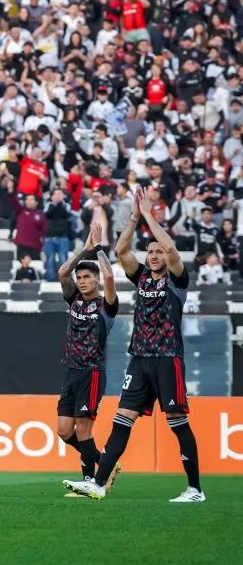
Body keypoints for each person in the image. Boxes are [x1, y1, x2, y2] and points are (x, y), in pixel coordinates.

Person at [65, 189, 204, 502]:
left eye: (158, 252)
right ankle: (98, 484)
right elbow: (121, 250)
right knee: (121, 420)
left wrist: (150, 217)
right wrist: (133, 219)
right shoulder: (141, 277)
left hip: (168, 359)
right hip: (139, 360)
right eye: (150, 252)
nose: (154, 255)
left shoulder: (178, 280)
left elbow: (170, 247)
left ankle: (195, 489)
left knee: (177, 423)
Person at [56, 222, 120, 496]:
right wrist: (84, 248)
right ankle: (105, 463)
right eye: (79, 277)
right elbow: (62, 272)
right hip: (72, 371)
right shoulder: (75, 301)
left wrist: (99, 249)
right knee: (63, 430)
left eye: (86, 277)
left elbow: (109, 277)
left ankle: (90, 481)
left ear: (95, 281)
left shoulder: (106, 306)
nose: (81, 281)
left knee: (83, 428)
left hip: (92, 371)